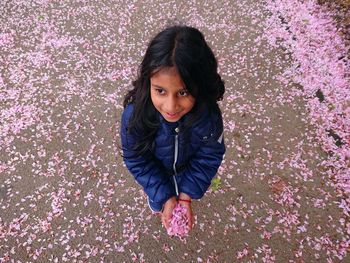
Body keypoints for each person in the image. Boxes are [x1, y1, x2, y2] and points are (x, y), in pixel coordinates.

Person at [120, 25, 225, 232]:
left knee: (182, 187)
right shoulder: (135, 117)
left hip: (187, 168)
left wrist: (186, 196)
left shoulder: (208, 116)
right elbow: (136, 159)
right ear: (147, 81)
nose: (170, 107)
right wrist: (165, 195)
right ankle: (160, 199)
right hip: (157, 169)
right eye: (160, 91)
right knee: (159, 197)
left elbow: (210, 155)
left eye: (183, 93)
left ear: (201, 85)